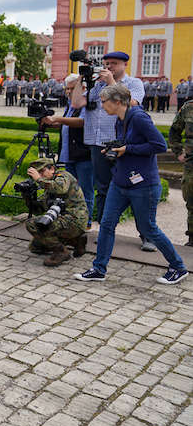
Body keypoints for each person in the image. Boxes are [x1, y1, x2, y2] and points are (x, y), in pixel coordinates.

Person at [74, 84, 188, 285]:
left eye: (104, 101)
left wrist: (128, 149)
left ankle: (178, 267)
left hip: (143, 185)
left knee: (148, 228)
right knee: (107, 224)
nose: (101, 105)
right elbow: (126, 144)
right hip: (120, 182)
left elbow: (159, 145)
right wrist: (115, 148)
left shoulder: (139, 117)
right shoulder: (120, 119)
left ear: (117, 102)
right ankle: (99, 269)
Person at [70, 51, 144, 227]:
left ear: (125, 64)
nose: (109, 66)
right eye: (107, 63)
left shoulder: (134, 83)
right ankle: (105, 229)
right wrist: (81, 79)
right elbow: (77, 103)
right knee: (102, 189)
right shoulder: (97, 86)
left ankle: (146, 234)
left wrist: (111, 82)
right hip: (98, 144)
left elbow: (132, 104)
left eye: (114, 63)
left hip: (123, 143)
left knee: (134, 188)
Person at [42, 74, 94, 227]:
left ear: (83, 88)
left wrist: (58, 119)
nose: (69, 92)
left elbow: (81, 122)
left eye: (72, 88)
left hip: (83, 154)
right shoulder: (70, 105)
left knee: (85, 191)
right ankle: (72, 220)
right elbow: (66, 125)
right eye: (68, 89)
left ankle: (86, 222)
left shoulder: (85, 103)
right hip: (69, 154)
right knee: (70, 191)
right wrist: (49, 123)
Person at [21, 158, 88, 266]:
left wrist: (38, 179)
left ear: (52, 168)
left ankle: (61, 252)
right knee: (36, 247)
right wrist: (27, 196)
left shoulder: (63, 176)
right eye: (38, 173)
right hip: (63, 220)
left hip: (74, 219)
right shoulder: (49, 187)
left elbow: (60, 188)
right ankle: (76, 241)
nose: (40, 176)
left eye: (41, 172)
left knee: (32, 225)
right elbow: (39, 209)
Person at [168, 100, 193, 249]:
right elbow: (174, 131)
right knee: (191, 199)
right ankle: (192, 238)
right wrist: (178, 152)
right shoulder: (188, 107)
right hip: (191, 164)